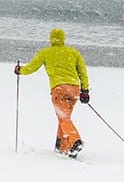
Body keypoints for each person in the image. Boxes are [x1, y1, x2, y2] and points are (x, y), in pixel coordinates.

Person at [15, 28, 91, 157]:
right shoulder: (73, 53)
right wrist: (85, 90)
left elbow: (32, 68)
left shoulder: (46, 53)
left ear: (51, 39)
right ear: (63, 38)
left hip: (59, 89)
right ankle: (62, 147)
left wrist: (20, 70)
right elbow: (83, 72)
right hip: (74, 89)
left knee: (63, 118)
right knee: (64, 118)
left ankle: (75, 141)